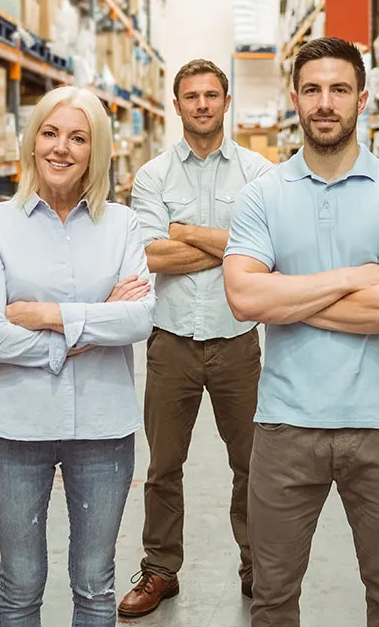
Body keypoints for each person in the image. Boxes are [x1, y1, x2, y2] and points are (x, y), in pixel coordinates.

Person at [222, 37, 379, 627]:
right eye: (312, 89)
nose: (325, 102)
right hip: (287, 425)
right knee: (272, 598)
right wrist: (352, 278)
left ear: (362, 98)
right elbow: (243, 298)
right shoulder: (262, 195)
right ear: (295, 98)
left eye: (339, 89)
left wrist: (287, 295)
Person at [0, 86, 155, 627]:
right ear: (31, 143)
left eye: (78, 137)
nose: (61, 148)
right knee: (21, 584)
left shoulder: (122, 225)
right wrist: (97, 320)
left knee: (96, 586)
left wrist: (50, 315)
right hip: (16, 427)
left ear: (95, 151)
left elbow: (139, 320)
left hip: (102, 427)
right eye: (50, 133)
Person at [117, 59, 275, 617]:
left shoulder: (258, 172)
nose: (202, 104)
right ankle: (161, 570)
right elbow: (148, 254)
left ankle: (259, 566)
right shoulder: (154, 176)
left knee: (252, 464)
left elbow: (264, 250)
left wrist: (183, 232)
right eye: (191, 96)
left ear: (225, 101)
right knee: (163, 466)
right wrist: (226, 243)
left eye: (211, 95)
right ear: (176, 105)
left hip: (237, 342)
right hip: (171, 343)